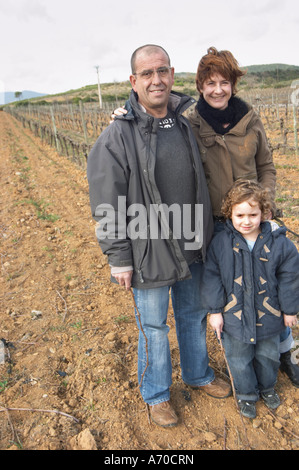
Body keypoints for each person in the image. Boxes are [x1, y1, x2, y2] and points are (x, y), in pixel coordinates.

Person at [87, 44, 231, 428]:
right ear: (133, 82)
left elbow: (227, 107)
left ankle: (198, 375)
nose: (156, 80)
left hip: (192, 243)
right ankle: (156, 394)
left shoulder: (185, 123)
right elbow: (106, 201)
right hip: (147, 248)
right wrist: (118, 256)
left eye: (162, 71)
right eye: (147, 74)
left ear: (172, 75)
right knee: (153, 327)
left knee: (192, 315)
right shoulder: (117, 135)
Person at [187, 46, 299, 387]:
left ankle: (285, 352)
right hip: (219, 227)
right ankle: (242, 361)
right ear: (200, 86)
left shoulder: (250, 119)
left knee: (271, 289)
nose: (217, 89)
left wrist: (265, 205)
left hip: (255, 220)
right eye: (210, 83)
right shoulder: (191, 123)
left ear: (234, 84)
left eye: (224, 81)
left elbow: (266, 166)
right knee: (234, 291)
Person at [201, 179, 299, 418]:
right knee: (238, 359)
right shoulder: (221, 243)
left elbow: (289, 279)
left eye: (253, 214)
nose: (246, 221)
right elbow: (212, 277)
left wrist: (289, 310)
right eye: (240, 215)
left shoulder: (280, 244)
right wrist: (215, 311)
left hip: (270, 316)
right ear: (229, 214)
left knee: (268, 357)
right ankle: (246, 394)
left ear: (264, 213)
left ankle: (267, 388)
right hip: (234, 319)